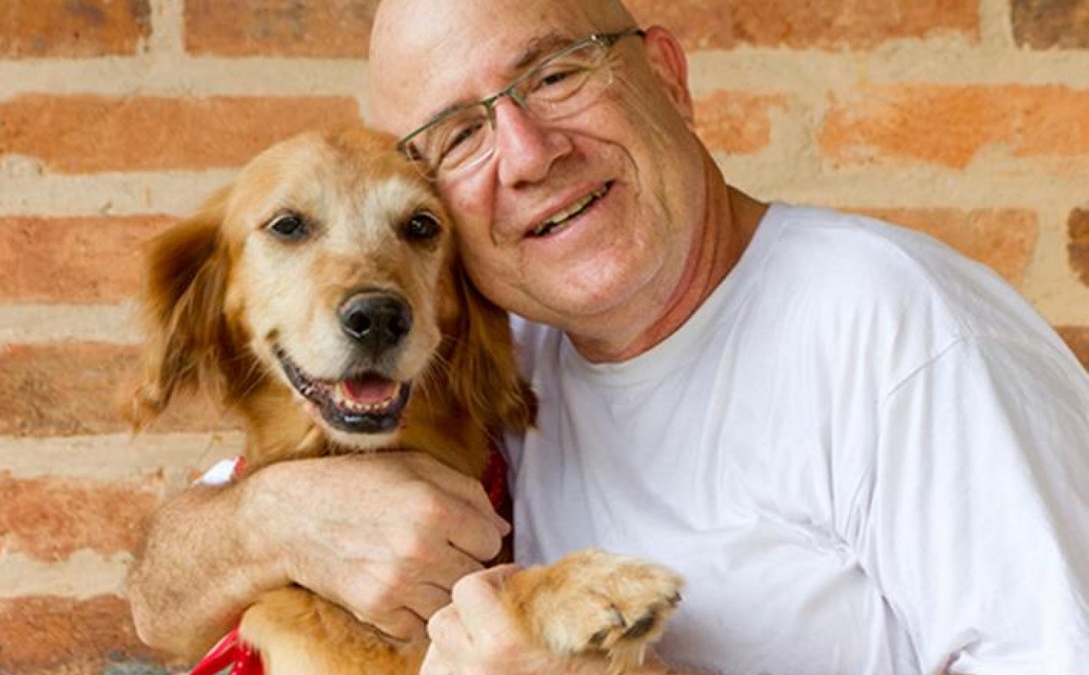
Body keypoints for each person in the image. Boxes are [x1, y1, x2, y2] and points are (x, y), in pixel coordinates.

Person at [127, 0, 1089, 673]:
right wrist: (270, 520)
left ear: (667, 78)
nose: (531, 152)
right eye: (457, 134)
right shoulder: (491, 360)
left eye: (556, 74)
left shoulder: (896, 326)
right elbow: (162, 600)